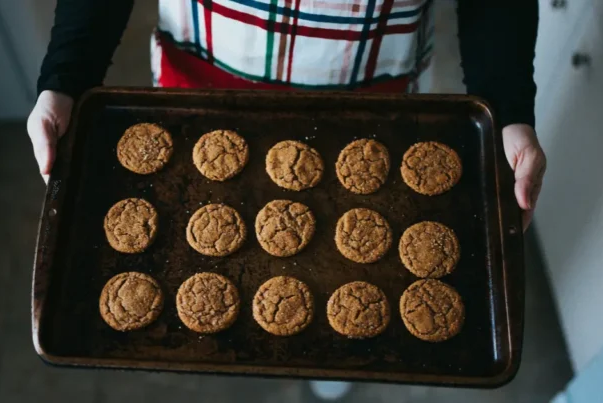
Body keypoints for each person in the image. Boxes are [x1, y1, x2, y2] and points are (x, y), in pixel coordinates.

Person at [28, 0, 544, 399]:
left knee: (347, 275)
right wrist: (67, 76)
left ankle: (332, 361)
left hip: (370, 91)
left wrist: (508, 106)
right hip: (202, 79)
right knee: (205, 196)